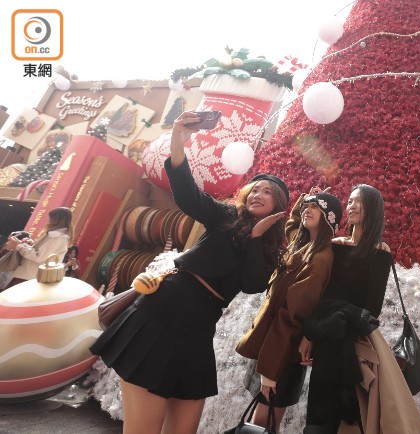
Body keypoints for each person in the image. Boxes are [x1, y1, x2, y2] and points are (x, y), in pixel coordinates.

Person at [90, 110, 289, 434]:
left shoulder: (268, 250)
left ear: (279, 204)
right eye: (255, 188)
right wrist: (178, 140)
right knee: (145, 428)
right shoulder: (226, 216)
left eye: (267, 191)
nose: (257, 194)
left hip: (197, 334)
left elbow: (253, 285)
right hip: (161, 316)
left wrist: (254, 240)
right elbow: (187, 193)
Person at [300, 184, 420, 434]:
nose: (352, 206)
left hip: (354, 341)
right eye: (349, 201)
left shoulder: (380, 252)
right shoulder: (333, 245)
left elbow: (371, 309)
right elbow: (319, 293)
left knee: (354, 414)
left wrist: (334, 315)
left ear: (374, 210)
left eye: (360, 202)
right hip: (326, 335)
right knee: (318, 415)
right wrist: (311, 333)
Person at [236, 187, 343, 433]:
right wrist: (306, 199)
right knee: (257, 423)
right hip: (270, 349)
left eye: (316, 207)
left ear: (329, 219)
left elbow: (290, 318)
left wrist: (271, 371)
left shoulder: (319, 259)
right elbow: (293, 224)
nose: (308, 209)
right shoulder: (303, 243)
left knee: (263, 424)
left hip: (281, 356)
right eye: (307, 205)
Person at [3, 207, 72, 288]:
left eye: (51, 218)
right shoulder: (57, 236)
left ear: (57, 219)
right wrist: (31, 243)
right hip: (31, 276)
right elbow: (43, 254)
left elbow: (39, 257)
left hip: (31, 277)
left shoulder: (57, 237)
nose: (49, 221)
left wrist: (19, 245)